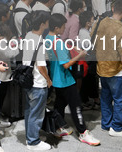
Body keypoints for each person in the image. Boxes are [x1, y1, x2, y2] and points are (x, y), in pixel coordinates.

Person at [45, 14, 100, 145]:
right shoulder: (58, 42)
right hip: (65, 79)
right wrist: (80, 55)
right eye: (64, 26)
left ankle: (58, 127)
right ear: (57, 27)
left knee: (60, 103)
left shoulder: (48, 38)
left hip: (56, 78)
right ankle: (83, 133)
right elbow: (66, 64)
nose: (65, 28)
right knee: (76, 106)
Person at [92, 0, 122, 137]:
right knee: (121, 99)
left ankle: (106, 124)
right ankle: (117, 128)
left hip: (102, 67)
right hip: (116, 70)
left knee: (105, 97)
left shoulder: (101, 22)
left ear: (113, 8)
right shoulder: (121, 30)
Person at [21, 11, 52, 151]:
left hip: (27, 80)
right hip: (38, 83)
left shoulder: (28, 35)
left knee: (29, 111)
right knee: (37, 113)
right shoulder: (40, 41)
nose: (48, 23)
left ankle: (30, 136)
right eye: (47, 21)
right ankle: (33, 142)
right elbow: (41, 66)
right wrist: (48, 79)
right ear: (42, 24)